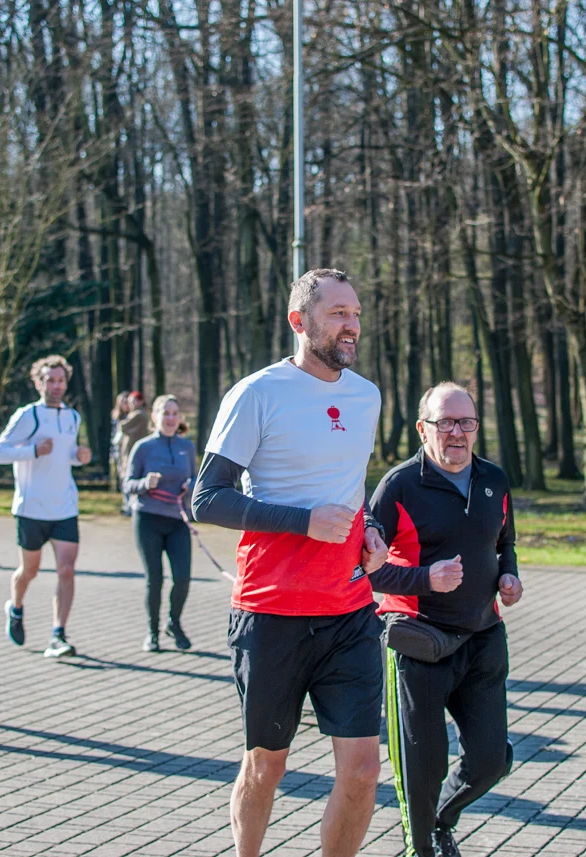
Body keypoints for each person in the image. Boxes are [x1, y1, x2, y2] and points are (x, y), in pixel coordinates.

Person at [192, 268, 388, 857]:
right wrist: (301, 521)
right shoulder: (257, 393)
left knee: (361, 770)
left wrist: (370, 528)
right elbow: (207, 498)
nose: (351, 325)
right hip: (272, 611)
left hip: (350, 609)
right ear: (299, 322)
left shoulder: (367, 395)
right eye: (337, 314)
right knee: (266, 767)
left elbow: (347, 487)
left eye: (355, 313)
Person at [367, 382, 522, 857]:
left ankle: (441, 818)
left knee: (492, 760)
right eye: (446, 422)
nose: (457, 433)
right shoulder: (398, 486)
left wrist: (509, 577)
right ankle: (422, 847)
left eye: (467, 422)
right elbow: (365, 571)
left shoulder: (494, 479)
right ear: (423, 428)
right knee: (422, 763)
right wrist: (423, 579)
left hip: (483, 638)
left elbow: (504, 544)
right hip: (420, 642)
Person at [0, 355, 92, 658]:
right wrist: (33, 450)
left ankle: (58, 634)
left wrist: (79, 456)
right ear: (39, 383)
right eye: (50, 380)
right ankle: (16, 607)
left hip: (64, 506)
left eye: (61, 380)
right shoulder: (28, 415)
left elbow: (67, 455)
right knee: (29, 571)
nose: (57, 385)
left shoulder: (72, 417)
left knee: (67, 570)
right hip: (31, 508)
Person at [123, 394, 197, 652]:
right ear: (154, 417)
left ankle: (173, 623)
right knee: (154, 579)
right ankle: (152, 632)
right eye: (165, 413)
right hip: (148, 518)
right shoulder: (143, 447)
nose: (170, 418)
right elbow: (127, 484)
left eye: (174, 413)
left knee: (183, 578)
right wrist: (145, 483)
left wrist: (192, 486)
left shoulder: (187, 447)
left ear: (180, 419)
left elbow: (196, 478)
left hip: (177, 520)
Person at [118, 392, 149, 515]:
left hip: (133, 452)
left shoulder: (138, 414)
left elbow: (122, 426)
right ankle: (128, 506)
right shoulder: (136, 414)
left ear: (140, 401)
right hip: (129, 452)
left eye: (133, 401)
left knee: (129, 478)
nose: (131, 404)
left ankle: (130, 507)